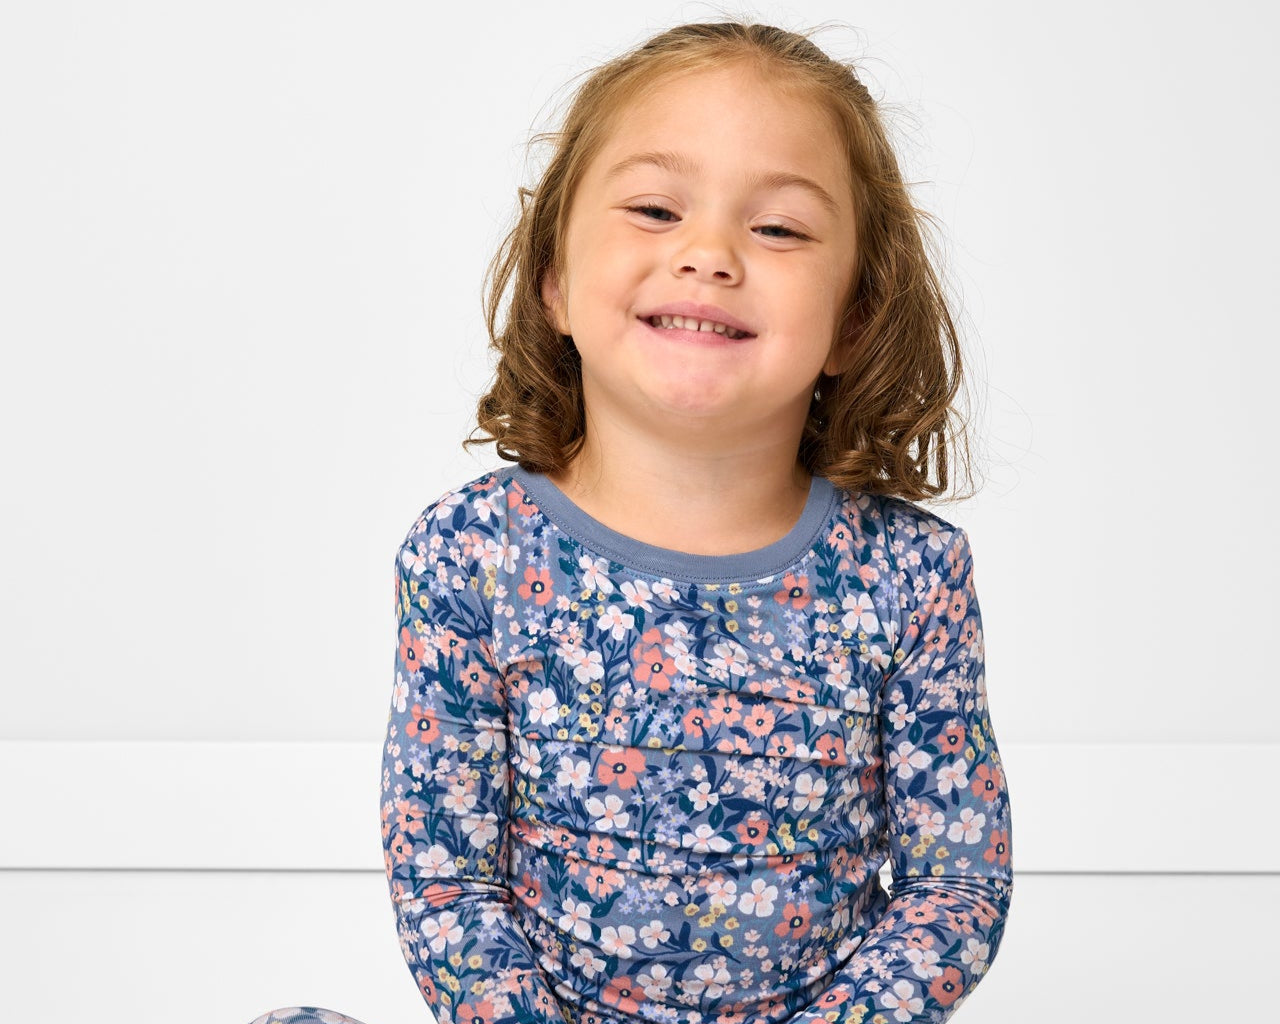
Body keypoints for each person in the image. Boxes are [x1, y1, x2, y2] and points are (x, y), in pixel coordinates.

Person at [249, 16, 1013, 1024]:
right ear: (556, 281)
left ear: (854, 319)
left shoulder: (910, 575)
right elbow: (446, 880)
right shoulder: (469, 555)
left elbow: (953, 888)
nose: (708, 254)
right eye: (655, 209)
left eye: (778, 228)